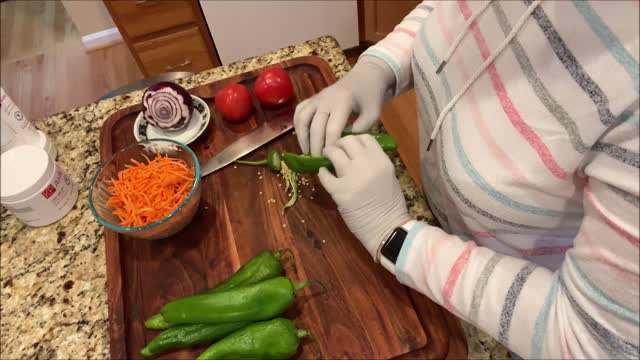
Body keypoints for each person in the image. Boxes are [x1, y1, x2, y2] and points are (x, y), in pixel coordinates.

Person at [293, 1, 639, 358]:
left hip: (505, 330)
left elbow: (587, 341)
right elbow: (446, 11)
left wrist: (395, 236)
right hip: (444, 243)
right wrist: (378, 68)